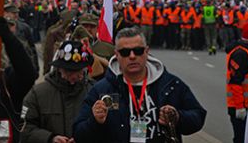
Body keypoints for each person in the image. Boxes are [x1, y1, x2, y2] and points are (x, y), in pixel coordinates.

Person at [73, 27, 206, 143]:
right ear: (117, 55)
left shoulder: (170, 84)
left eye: (138, 51)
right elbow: (79, 134)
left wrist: (178, 118)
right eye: (125, 52)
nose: (132, 56)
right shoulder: (103, 89)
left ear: (146, 51)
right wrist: (95, 121)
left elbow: (198, 116)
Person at [21, 39, 94, 143]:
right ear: (59, 69)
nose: (73, 76)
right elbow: (24, 128)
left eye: (77, 71)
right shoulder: (37, 93)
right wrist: (50, 138)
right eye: (68, 71)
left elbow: (108, 127)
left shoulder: (94, 91)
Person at [225, 23, 248, 143]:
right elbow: (235, 83)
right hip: (241, 106)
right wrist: (240, 107)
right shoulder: (241, 54)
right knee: (241, 139)